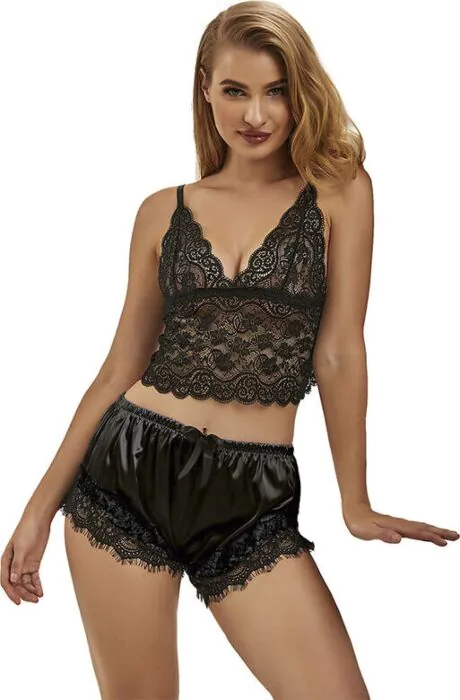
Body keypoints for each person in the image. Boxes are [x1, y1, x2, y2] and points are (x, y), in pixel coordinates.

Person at [2, 2, 459, 699]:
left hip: (251, 495)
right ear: (206, 90)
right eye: (236, 90)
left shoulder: (340, 193)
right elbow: (119, 369)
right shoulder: (161, 211)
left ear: (301, 93)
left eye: (276, 91)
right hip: (125, 475)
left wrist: (355, 501)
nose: (256, 114)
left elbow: (340, 351)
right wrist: (37, 509)